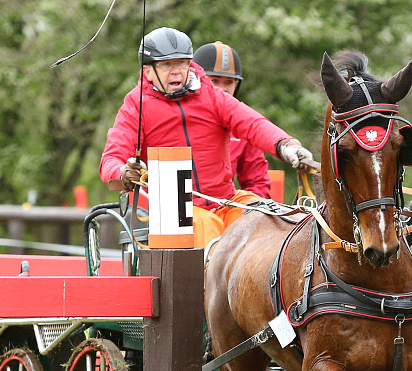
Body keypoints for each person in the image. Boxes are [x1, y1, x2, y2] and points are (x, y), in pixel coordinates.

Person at [100, 27, 312, 247]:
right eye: (166, 64)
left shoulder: (210, 95)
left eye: (182, 63)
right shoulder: (136, 105)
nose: (176, 71)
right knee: (207, 229)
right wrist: (123, 172)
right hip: (174, 209)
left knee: (267, 217)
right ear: (148, 71)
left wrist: (285, 144)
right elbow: (110, 160)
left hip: (225, 199)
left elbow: (252, 123)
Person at [193, 41, 272, 199]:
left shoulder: (245, 125)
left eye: (229, 82)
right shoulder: (177, 115)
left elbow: (257, 182)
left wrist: (246, 215)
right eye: (214, 81)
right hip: (178, 211)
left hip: (225, 210)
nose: (223, 89)